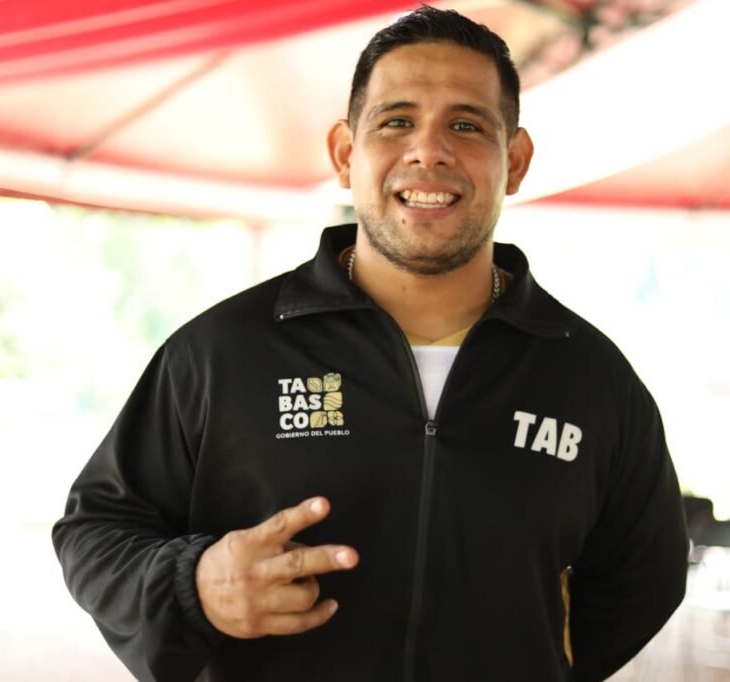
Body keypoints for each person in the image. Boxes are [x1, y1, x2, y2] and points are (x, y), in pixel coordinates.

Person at [52, 6, 688, 682]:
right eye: (396, 122)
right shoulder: (222, 354)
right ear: (344, 154)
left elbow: (643, 577)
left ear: (516, 161)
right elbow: (96, 531)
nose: (428, 151)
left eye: (466, 126)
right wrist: (195, 585)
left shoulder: (589, 377)